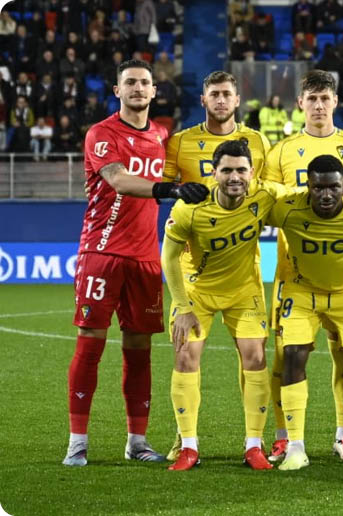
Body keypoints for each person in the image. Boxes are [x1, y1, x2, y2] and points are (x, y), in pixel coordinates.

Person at [62, 59, 208, 467]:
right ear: (117, 91)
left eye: (145, 82)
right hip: (102, 252)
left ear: (154, 91)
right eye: (130, 82)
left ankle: (137, 442)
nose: (138, 88)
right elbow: (118, 180)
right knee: (90, 343)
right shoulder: (102, 134)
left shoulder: (162, 136)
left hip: (145, 258)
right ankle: (77, 442)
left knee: (140, 349)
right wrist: (169, 189)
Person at [159, 70, 276, 461]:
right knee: (185, 353)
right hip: (196, 270)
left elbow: (271, 194)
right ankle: (185, 441)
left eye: (228, 93)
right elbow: (164, 191)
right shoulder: (181, 142)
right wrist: (180, 192)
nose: (221, 100)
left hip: (244, 270)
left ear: (237, 99)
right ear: (203, 99)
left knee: (255, 355)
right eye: (215, 94)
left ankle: (256, 442)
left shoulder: (258, 142)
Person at [264, 70, 343, 463]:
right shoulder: (281, 151)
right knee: (286, 355)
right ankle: (284, 438)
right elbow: (269, 199)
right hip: (292, 270)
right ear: (300, 103)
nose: (318, 106)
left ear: (335, 102)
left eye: (324, 98)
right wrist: (306, 194)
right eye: (311, 99)